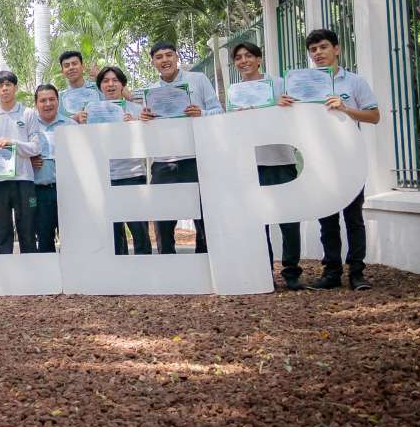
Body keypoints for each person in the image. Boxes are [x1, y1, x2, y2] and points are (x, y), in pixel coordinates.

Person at [301, 29, 380, 291]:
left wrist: (346, 109)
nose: (318, 53)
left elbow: (374, 115)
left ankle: (357, 273)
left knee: (353, 218)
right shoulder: (304, 84)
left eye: (323, 47)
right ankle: (331, 273)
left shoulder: (355, 82)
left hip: (350, 159)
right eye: (313, 50)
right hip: (320, 160)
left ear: (337, 49)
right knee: (327, 218)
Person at [230, 42, 305, 290]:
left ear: (259, 59)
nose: (244, 60)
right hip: (251, 163)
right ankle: (265, 271)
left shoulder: (279, 84)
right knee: (258, 220)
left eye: (249, 56)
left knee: (289, 219)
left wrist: (284, 106)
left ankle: (292, 272)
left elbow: (297, 114)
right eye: (239, 57)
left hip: (282, 159)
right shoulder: (234, 93)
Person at [140, 42, 222, 254]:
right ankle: (169, 265)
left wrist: (201, 114)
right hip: (163, 162)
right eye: (159, 57)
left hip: (196, 157)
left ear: (177, 58)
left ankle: (205, 263)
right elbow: (145, 132)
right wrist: (145, 119)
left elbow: (218, 111)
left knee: (203, 216)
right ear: (153, 63)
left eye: (169, 55)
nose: (164, 60)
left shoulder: (198, 80)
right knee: (163, 220)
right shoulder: (151, 91)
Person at [77, 67, 152, 255]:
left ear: (122, 84)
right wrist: (82, 124)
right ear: (100, 87)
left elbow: (149, 140)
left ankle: (146, 274)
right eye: (105, 81)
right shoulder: (91, 110)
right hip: (104, 176)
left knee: (138, 227)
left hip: (132, 175)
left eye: (115, 80)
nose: (110, 84)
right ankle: (119, 276)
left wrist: (134, 125)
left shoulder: (137, 110)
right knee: (112, 231)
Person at [0, 71, 42, 254]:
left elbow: (36, 147)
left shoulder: (28, 113)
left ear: (15, 87)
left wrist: (13, 143)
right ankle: (6, 277)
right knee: (2, 232)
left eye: (8, 84)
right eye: (0, 86)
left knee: (28, 231)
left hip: (24, 181)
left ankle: (31, 279)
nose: (4, 89)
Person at [29, 84, 71, 253]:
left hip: (67, 191)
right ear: (36, 103)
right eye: (43, 100)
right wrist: (28, 160)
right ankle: (49, 278)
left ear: (58, 101)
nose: (48, 104)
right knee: (44, 239)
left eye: (52, 99)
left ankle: (74, 279)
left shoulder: (71, 125)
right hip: (39, 191)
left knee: (73, 238)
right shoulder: (28, 127)